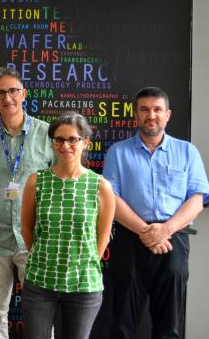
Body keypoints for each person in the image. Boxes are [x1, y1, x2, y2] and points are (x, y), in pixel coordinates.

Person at [103, 87, 209, 339]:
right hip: (129, 240)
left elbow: (197, 199)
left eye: (157, 109)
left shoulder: (187, 152)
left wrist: (165, 231)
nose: (151, 115)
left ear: (168, 114)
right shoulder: (118, 152)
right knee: (122, 323)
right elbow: (111, 199)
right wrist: (146, 231)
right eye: (145, 109)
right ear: (136, 115)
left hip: (174, 242)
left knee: (169, 325)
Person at [20, 111, 115, 339]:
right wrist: (45, 257)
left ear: (85, 143)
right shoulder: (36, 181)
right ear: (53, 143)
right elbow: (26, 228)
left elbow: (101, 241)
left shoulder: (100, 186)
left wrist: (82, 263)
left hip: (83, 285)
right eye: (59, 139)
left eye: (73, 139)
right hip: (40, 282)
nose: (66, 145)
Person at [0, 67, 54, 338]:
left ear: (24, 94)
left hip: (35, 239)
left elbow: (64, 181)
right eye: (1, 93)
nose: (7, 97)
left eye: (13, 91)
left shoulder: (48, 135)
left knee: (41, 315)